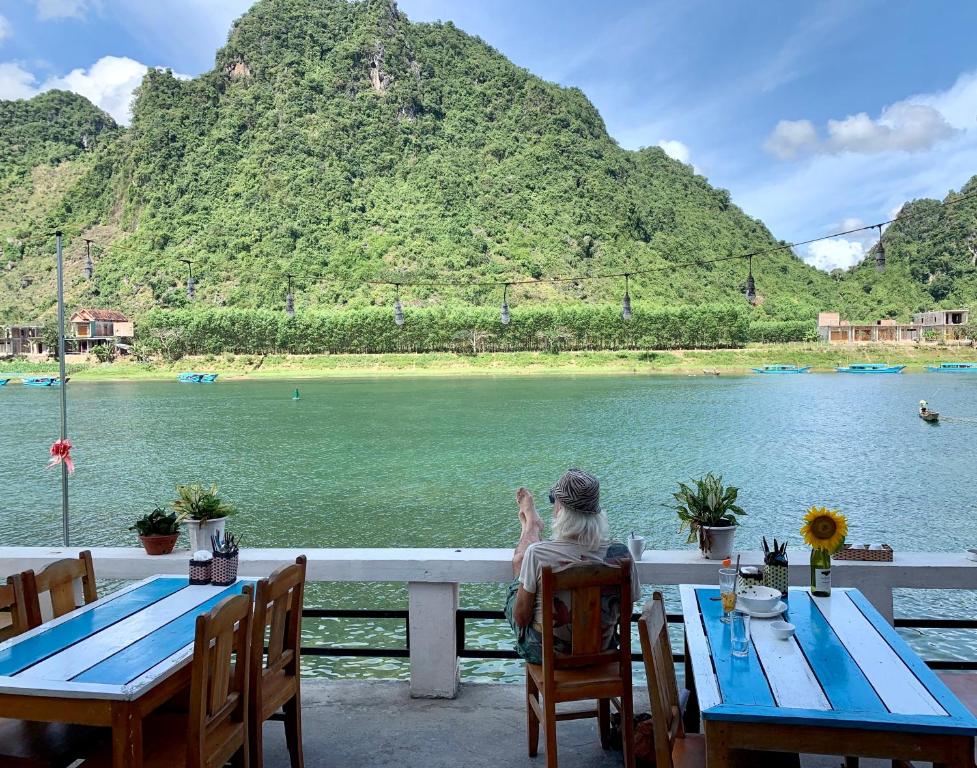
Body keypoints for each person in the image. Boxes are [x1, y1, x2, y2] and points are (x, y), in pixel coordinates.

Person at [505, 468, 641, 664]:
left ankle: (530, 527)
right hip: (602, 653)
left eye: (554, 501)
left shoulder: (538, 554)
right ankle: (531, 527)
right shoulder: (621, 554)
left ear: (560, 509)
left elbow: (521, 618)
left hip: (550, 657)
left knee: (518, 572)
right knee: (523, 562)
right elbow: (626, 613)